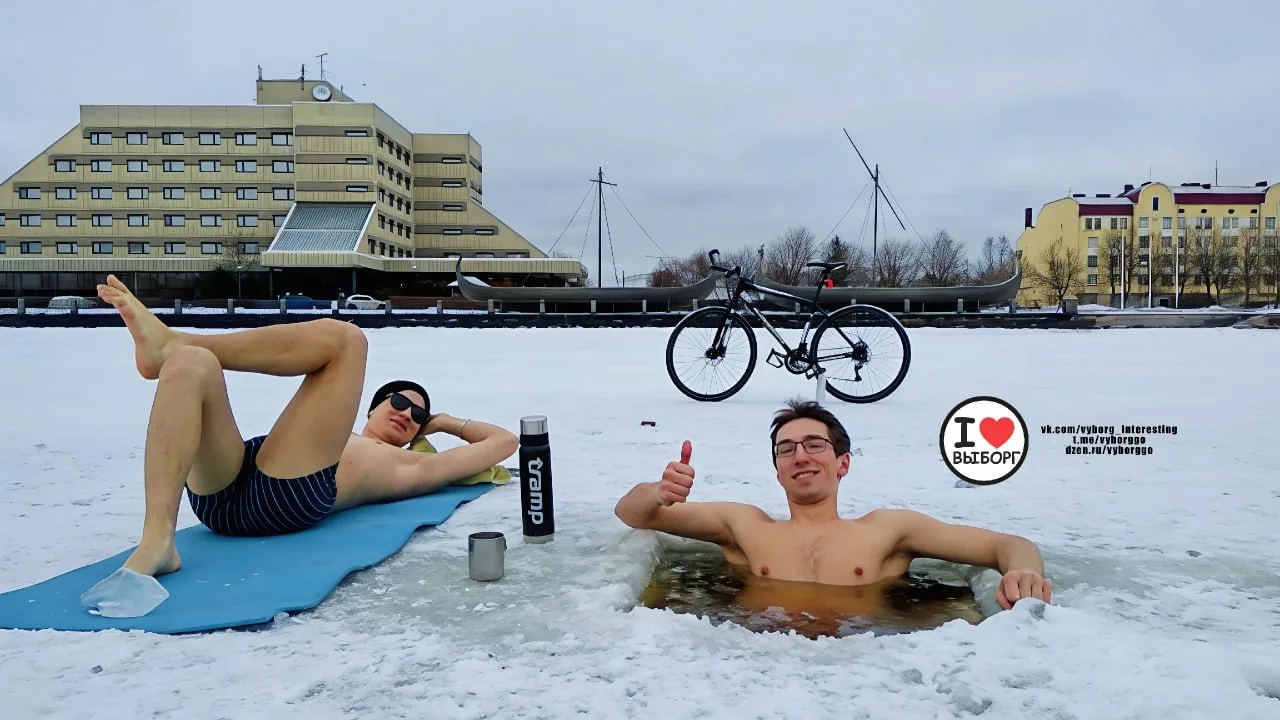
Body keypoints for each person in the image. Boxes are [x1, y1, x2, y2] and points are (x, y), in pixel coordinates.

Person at [93, 274, 519, 581]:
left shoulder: (410, 466)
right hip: (222, 492)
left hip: (289, 497)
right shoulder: (330, 433)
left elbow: (504, 441)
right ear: (370, 409)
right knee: (192, 365)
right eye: (400, 402)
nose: (408, 414)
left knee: (348, 339)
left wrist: (443, 423)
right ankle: (158, 538)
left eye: (418, 417)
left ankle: (175, 341)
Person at [614, 399, 1052, 613]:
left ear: (842, 463)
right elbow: (632, 513)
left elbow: (1009, 545)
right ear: (778, 471)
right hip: (754, 660)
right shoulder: (745, 526)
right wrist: (658, 491)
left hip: (862, 661)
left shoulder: (887, 530)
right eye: (786, 450)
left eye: (814, 444)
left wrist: (1023, 572)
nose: (800, 456)